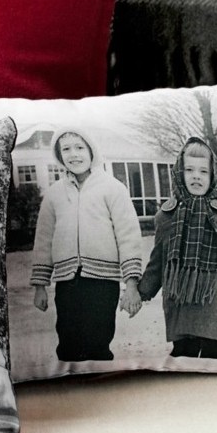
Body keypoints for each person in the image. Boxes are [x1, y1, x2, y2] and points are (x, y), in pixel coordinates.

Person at [30, 126, 143, 361]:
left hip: (103, 282)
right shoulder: (54, 194)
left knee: (98, 341)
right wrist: (40, 285)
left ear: (92, 151)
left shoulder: (113, 189)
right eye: (66, 149)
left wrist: (131, 285)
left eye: (80, 147)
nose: (74, 154)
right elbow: (44, 239)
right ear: (60, 156)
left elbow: (128, 236)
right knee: (68, 342)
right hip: (67, 282)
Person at [138, 137, 217, 359]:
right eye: (189, 170)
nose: (196, 176)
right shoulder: (166, 216)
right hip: (180, 311)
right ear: (179, 174)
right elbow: (157, 264)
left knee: (213, 370)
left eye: (203, 171)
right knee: (183, 365)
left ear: (212, 176)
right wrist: (139, 293)